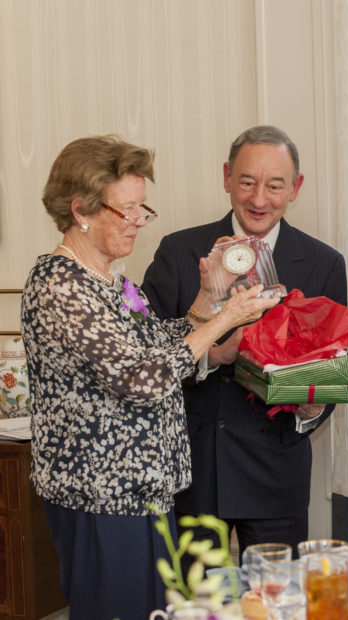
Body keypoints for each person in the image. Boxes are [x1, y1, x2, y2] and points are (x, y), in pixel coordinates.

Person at [21, 135, 278, 620]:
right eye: (127, 210)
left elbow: (162, 343)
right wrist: (226, 320)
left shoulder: (112, 281)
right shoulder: (58, 284)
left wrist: (208, 299)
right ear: (81, 210)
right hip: (101, 497)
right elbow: (142, 380)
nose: (140, 220)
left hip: (147, 496)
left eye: (143, 207)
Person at [142, 125, 347, 557]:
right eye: (247, 182)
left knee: (277, 599)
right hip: (194, 470)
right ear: (226, 178)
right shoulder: (178, 252)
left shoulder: (324, 263)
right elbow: (149, 363)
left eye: (274, 185)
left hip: (275, 469)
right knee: (197, 604)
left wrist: (312, 407)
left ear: (295, 188)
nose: (258, 199)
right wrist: (215, 354)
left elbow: (330, 368)